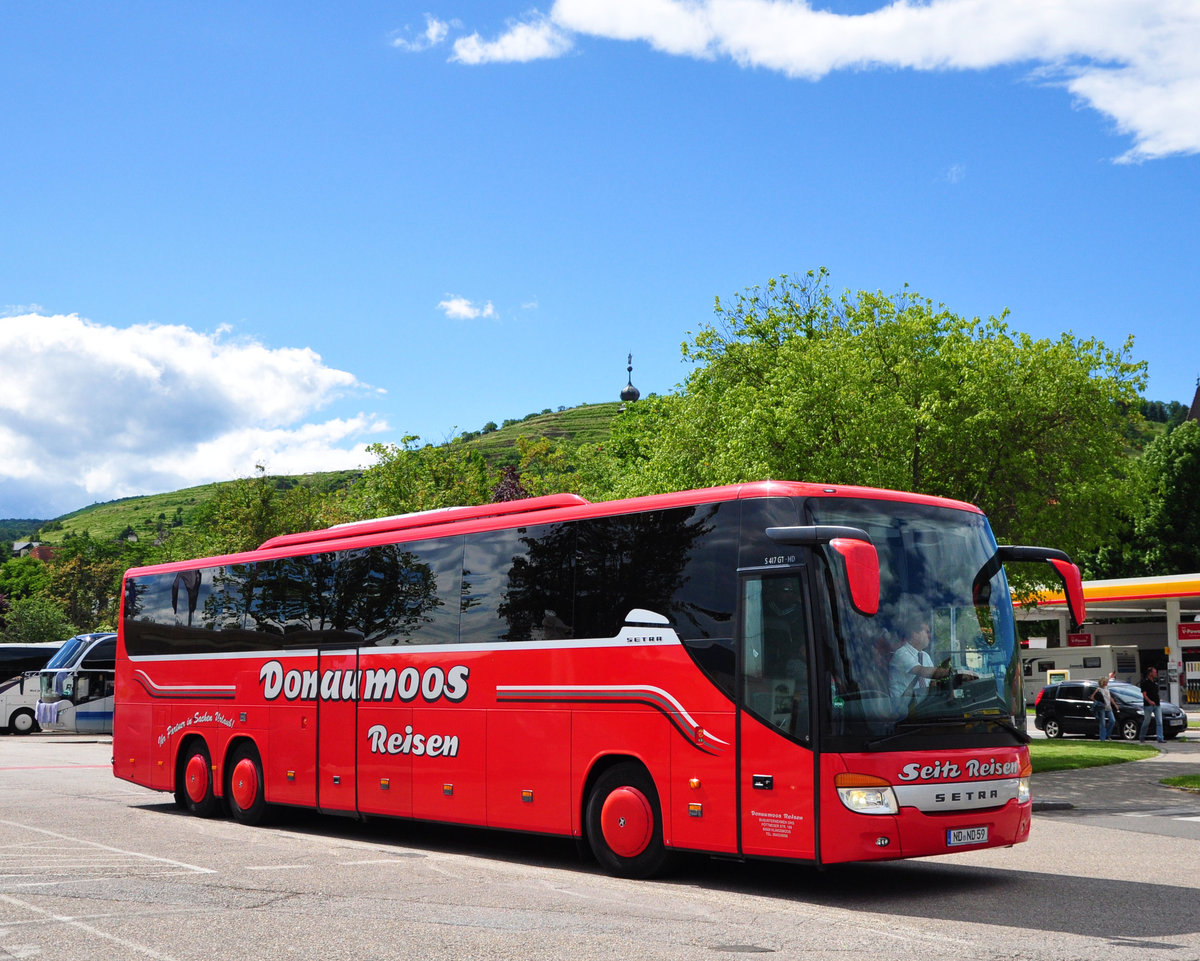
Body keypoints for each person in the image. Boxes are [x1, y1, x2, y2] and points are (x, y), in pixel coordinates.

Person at [889, 609, 951, 708]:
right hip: (903, 711)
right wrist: (950, 672)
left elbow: (932, 682)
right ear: (915, 634)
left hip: (923, 708)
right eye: (927, 632)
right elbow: (921, 671)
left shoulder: (925, 656)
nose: (930, 636)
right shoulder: (901, 654)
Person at [1139, 666, 1164, 743]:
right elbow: (1144, 694)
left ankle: (1160, 738)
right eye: (1154, 672)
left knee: (1159, 721)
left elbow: (1156, 692)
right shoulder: (1144, 682)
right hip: (1148, 705)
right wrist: (1150, 701)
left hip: (1157, 704)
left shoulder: (1155, 682)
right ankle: (1142, 736)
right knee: (1147, 721)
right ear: (1150, 673)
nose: (1156, 674)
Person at [1092, 676, 1116, 741]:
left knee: (1112, 721)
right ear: (1102, 682)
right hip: (1102, 708)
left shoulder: (1107, 688)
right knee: (1102, 723)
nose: (1106, 683)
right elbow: (1092, 697)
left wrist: (1115, 704)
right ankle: (1102, 738)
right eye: (1105, 682)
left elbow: (1110, 697)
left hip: (1109, 707)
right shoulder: (1098, 689)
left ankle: (1107, 735)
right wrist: (1098, 702)